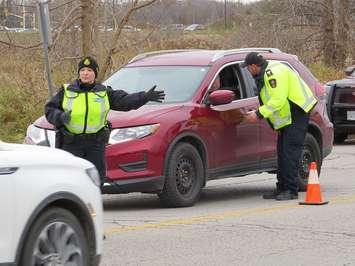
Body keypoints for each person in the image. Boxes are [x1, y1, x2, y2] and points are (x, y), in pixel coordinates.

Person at [45, 56, 165, 186]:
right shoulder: (66, 91)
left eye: (90, 71)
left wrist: (145, 97)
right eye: (83, 70)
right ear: (79, 73)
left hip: (95, 145)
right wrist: (60, 117)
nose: (86, 73)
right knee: (70, 180)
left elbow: (125, 101)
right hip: (72, 144)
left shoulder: (104, 93)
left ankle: (93, 205)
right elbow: (49, 110)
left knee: (96, 181)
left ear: (95, 74)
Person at [241, 52, 317, 200]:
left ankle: (291, 190)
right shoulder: (266, 71)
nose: (248, 71)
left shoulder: (272, 74)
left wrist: (258, 114)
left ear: (254, 66)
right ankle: (282, 187)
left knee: (290, 153)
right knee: (282, 152)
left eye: (248, 68)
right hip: (289, 115)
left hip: (297, 112)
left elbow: (277, 100)